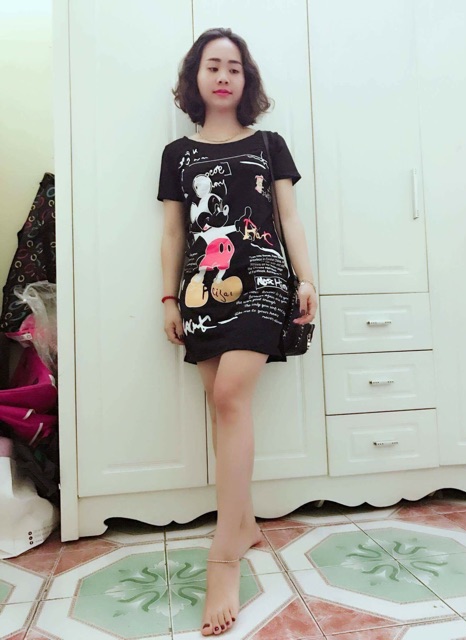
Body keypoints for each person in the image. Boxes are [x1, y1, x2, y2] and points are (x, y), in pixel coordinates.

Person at [157, 27, 317, 637]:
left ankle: (223, 559)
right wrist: (168, 298)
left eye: (234, 67)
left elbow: (289, 217)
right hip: (202, 284)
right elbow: (174, 233)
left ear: (246, 80)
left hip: (263, 274)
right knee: (219, 403)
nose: (223, 76)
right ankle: (244, 523)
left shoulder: (269, 144)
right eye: (212, 66)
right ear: (195, 77)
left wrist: (306, 277)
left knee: (229, 396)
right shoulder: (177, 155)